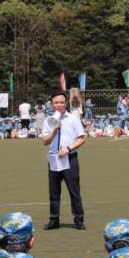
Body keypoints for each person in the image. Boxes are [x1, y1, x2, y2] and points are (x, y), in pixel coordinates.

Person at [41, 92, 86, 231]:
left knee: (74, 191)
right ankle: (54, 220)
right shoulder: (48, 120)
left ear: (65, 103)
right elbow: (45, 141)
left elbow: (82, 138)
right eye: (56, 103)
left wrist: (68, 148)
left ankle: (79, 220)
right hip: (54, 158)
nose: (59, 105)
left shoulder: (73, 119)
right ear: (51, 104)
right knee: (54, 192)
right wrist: (54, 130)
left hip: (70, 158)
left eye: (61, 102)